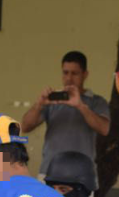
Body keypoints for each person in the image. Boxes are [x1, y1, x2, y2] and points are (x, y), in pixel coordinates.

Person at [20, 51, 110, 188]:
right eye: (65, 72)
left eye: (74, 73)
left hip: (82, 175)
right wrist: (39, 104)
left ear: (85, 74)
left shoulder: (96, 102)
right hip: (49, 173)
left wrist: (80, 106)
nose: (69, 78)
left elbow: (104, 128)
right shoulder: (53, 100)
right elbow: (25, 126)